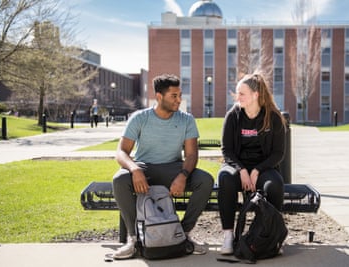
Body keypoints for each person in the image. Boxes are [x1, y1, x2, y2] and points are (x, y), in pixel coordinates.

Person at [112, 74, 214, 260]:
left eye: (179, 95)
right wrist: (134, 169)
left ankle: (180, 235)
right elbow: (121, 152)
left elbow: (191, 155)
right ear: (159, 97)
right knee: (119, 179)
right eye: (173, 96)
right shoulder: (139, 118)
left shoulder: (186, 119)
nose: (179, 100)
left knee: (205, 180)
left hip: (173, 169)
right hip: (144, 168)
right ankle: (134, 239)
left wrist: (183, 175)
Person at [217, 73, 287, 255]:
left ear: (256, 95)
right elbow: (226, 150)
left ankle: (270, 236)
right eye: (237, 93)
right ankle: (228, 236)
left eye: (242, 94)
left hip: (263, 167)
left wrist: (257, 170)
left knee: (274, 185)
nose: (237, 98)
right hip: (236, 165)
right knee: (225, 179)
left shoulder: (273, 117)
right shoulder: (233, 115)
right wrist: (241, 170)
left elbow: (278, 153)